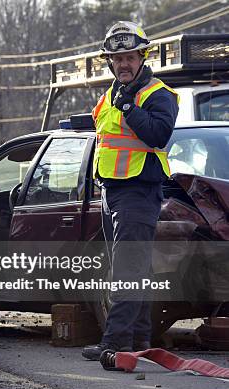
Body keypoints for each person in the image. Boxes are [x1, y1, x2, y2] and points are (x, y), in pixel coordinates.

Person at [82, 21, 179, 361]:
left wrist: (129, 108)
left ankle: (115, 343)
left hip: (139, 192)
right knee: (131, 269)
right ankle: (137, 341)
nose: (123, 64)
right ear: (109, 61)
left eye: (129, 57)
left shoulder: (157, 94)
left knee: (127, 271)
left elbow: (159, 134)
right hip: (112, 192)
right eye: (116, 58)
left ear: (142, 57)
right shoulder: (109, 94)